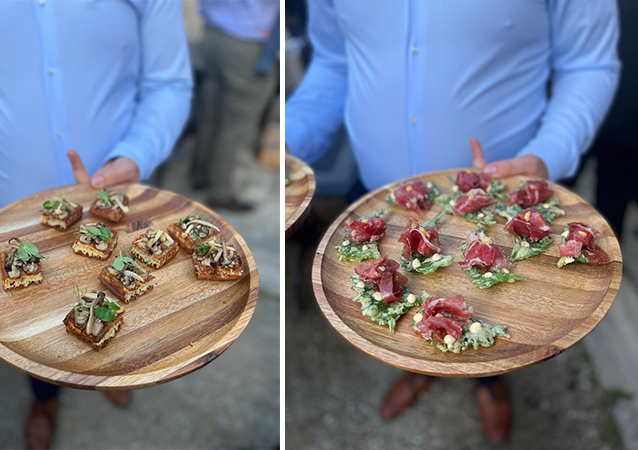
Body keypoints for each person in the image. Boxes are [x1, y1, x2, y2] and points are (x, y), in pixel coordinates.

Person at [285, 0, 620, 445]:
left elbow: (589, 63)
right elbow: (334, 60)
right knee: (399, 308)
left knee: (490, 313)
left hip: (496, 214)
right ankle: (417, 368)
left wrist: (550, 153)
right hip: (380, 208)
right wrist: (290, 143)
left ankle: (489, 382)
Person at [0, 2, 193, 448]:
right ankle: (44, 397)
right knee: (32, 344)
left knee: (122, 310)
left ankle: (112, 376)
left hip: (110, 209)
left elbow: (167, 84)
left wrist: (136, 154)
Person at [190, 0, 280, 211]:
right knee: (235, 125)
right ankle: (220, 192)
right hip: (245, 41)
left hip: (214, 33)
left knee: (210, 113)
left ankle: (199, 176)